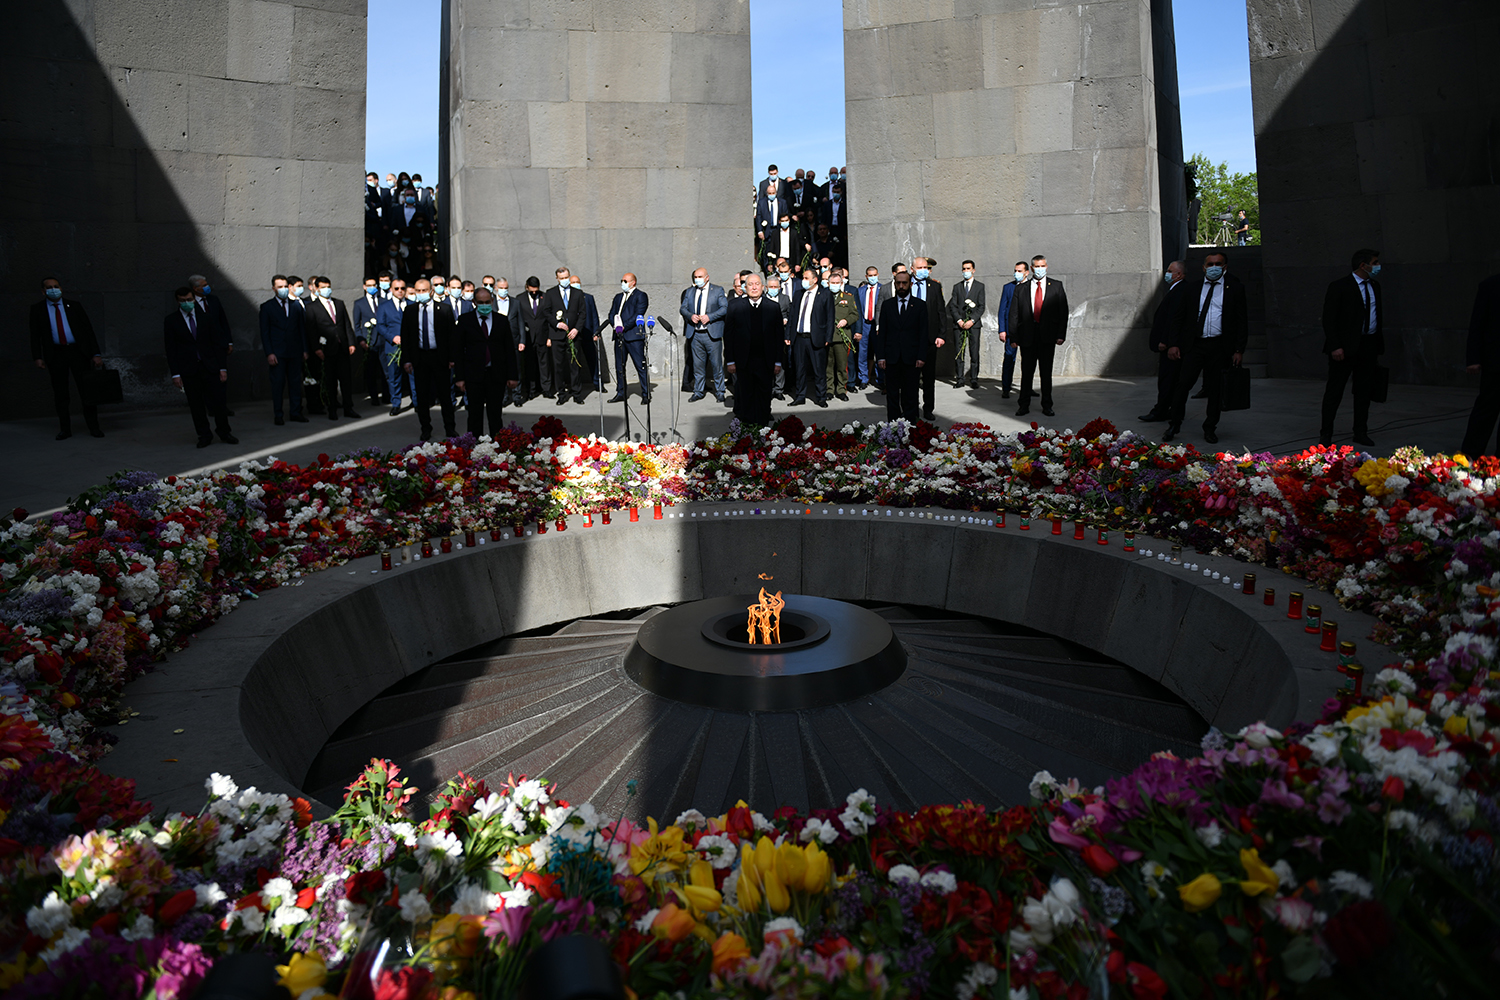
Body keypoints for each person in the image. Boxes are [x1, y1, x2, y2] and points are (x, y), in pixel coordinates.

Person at [1162, 252, 1248, 445]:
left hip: (1220, 346)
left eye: (1218, 264)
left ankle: (1210, 427)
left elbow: (1242, 321)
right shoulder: (1191, 289)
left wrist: (1239, 349)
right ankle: (1174, 424)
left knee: (1216, 390)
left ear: (1225, 267)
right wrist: (1173, 343)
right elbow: (1178, 318)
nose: (1214, 267)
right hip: (1195, 345)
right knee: (1183, 384)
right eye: (1210, 264)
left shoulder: (1234, 289)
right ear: (1203, 267)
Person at [1319, 249, 1384, 447]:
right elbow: (1329, 319)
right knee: (1335, 391)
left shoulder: (1375, 286)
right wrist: (1335, 346)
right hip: (1344, 348)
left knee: (1364, 391)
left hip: (1368, 345)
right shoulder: (1340, 286)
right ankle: (1326, 432)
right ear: (1363, 265)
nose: (1377, 266)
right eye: (1374, 262)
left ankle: (1360, 431)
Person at [30, 277, 105, 440]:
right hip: (56, 354)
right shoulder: (37, 309)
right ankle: (65, 429)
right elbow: (35, 336)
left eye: (56, 286)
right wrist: (38, 357)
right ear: (43, 291)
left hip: (78, 352)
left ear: (61, 289)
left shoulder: (74, 306)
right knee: (61, 393)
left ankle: (94, 427)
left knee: (87, 391)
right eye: (49, 287)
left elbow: (88, 330)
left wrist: (96, 354)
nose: (53, 289)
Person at [164, 286, 236, 447]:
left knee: (218, 402)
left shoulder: (206, 318)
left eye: (189, 300)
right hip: (188, 369)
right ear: (177, 301)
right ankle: (204, 435)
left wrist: (222, 368)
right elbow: (171, 349)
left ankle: (224, 432)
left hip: (210, 366)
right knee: (196, 405)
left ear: (194, 299)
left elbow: (217, 344)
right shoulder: (171, 321)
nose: (187, 303)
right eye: (183, 301)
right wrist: (175, 374)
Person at [1007, 255, 1068, 417]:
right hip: (1027, 337)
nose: (1040, 269)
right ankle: (1023, 405)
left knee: (1046, 373)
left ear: (1047, 266)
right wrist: (1013, 337)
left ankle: (1047, 405)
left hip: (1048, 337)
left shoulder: (1056, 286)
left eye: (1043, 266)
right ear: (1032, 268)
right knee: (1026, 373)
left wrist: (1061, 334)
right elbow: (1014, 314)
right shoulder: (1021, 288)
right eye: (1037, 266)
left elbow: (1063, 312)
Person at [454, 288, 520, 437]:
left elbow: (509, 349)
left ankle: (498, 446)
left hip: (496, 374)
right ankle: (473, 445)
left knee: (495, 413)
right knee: (474, 414)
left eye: (487, 302)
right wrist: (460, 377)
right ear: (474, 302)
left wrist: (513, 375)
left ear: (492, 301)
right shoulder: (465, 320)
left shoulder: (501, 320)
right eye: (480, 302)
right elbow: (458, 351)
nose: (484, 305)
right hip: (473, 375)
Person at [723, 272, 784, 426]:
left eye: (757, 284)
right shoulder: (735, 306)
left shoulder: (773, 307)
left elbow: (778, 337)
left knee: (764, 395)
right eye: (750, 284)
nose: (754, 287)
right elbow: (728, 335)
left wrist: (778, 361)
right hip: (743, 361)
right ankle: (747, 427)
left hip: (766, 360)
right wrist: (730, 360)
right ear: (745, 287)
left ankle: (763, 427)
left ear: (763, 287)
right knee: (745, 395)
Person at [400, 278, 458, 440]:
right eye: (418, 291)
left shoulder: (444, 309)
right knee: (422, 396)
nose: (421, 294)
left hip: (440, 357)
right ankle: (426, 428)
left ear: (431, 291)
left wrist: (452, 358)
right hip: (420, 358)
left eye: (424, 291)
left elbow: (451, 335)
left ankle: (450, 428)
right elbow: (406, 338)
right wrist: (407, 360)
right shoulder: (410, 311)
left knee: (445, 395)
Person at [304, 277, 362, 420]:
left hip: (342, 347)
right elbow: (311, 330)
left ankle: (348, 407)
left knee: (346, 380)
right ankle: (332, 409)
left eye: (328, 286)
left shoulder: (339, 303)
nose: (326, 289)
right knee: (329, 381)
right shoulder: (312, 307)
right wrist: (316, 348)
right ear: (316, 288)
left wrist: (351, 343)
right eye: (323, 287)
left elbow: (346, 324)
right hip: (326, 350)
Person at [875, 270, 928, 422]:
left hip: (911, 358)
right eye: (898, 283)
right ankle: (893, 425)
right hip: (891, 358)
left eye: (904, 283)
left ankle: (911, 425)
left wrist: (921, 356)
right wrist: (881, 356)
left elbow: (923, 333)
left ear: (910, 284)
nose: (901, 286)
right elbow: (882, 333)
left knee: (910, 394)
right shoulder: (887, 305)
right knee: (892, 394)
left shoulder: (919, 306)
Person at [1138, 261, 1187, 422]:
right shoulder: (1175, 290)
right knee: (1168, 380)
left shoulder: (1180, 291)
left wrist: (1166, 341)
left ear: (1178, 274)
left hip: (1170, 346)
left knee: (1168, 380)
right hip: (1169, 344)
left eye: (1170, 271)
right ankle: (1166, 409)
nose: (1167, 273)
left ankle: (1162, 410)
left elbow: (1174, 319)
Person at [258, 274, 308, 425]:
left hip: (294, 351)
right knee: (278, 384)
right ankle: (278, 414)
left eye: (286, 286)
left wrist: (305, 350)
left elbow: (302, 330)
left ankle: (295, 412)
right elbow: (264, 333)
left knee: (295, 383)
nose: (284, 289)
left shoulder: (296, 306)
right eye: (280, 287)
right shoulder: (267, 307)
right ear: (274, 289)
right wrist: (269, 353)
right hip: (277, 353)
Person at [1460, 273, 1500, 456]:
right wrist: (1473, 358)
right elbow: (1478, 323)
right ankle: (1471, 453)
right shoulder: (1490, 285)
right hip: (1496, 359)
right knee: (1487, 407)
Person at [539, 267, 587, 404]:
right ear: (557, 278)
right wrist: (556, 323)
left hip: (573, 335)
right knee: (558, 366)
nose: (565, 280)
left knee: (575, 365)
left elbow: (583, 313)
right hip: (557, 335)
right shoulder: (550, 293)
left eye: (566, 277)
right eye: (562, 278)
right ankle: (561, 393)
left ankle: (577, 393)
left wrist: (577, 329)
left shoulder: (578, 293)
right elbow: (546, 312)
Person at [787, 265, 834, 407]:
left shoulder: (825, 294)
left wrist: (828, 338)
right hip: (799, 338)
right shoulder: (798, 294)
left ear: (815, 280)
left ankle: (821, 397)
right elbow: (793, 316)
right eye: (803, 278)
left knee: (819, 370)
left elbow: (830, 318)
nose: (804, 281)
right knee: (799, 369)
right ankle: (800, 396)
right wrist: (789, 334)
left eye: (807, 278)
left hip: (816, 338)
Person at [681, 267, 729, 404]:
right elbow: (682, 308)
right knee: (698, 366)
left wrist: (710, 317)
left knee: (716, 365)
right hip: (695, 333)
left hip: (712, 334)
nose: (697, 279)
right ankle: (698, 391)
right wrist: (691, 316)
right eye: (695, 277)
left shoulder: (717, 290)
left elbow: (724, 308)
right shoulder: (690, 292)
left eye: (700, 277)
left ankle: (720, 392)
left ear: (707, 277)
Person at [910, 257, 947, 419]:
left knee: (929, 377)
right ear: (912, 269)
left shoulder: (934, 286)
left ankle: (928, 409)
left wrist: (941, 335)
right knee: (910, 378)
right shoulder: (905, 285)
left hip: (930, 339)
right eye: (920, 267)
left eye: (926, 267)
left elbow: (941, 312)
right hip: (910, 340)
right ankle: (911, 408)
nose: (924, 269)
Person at [606, 273, 651, 403]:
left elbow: (638, 314)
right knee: (619, 366)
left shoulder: (640, 296)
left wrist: (623, 326)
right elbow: (612, 313)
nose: (623, 283)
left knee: (640, 365)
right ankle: (621, 392)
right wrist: (615, 325)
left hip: (633, 336)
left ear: (633, 282)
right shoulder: (618, 297)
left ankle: (646, 394)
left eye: (625, 281)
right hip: (619, 336)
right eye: (622, 281)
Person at [948, 260, 986, 389]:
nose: (965, 271)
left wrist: (972, 320)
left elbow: (981, 306)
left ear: (973, 270)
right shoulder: (957, 287)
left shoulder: (980, 286)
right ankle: (960, 379)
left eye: (968, 268)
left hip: (973, 325)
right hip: (959, 325)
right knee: (959, 352)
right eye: (964, 269)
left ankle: (974, 378)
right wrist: (959, 320)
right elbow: (953, 306)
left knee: (974, 351)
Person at [374, 279, 408, 415]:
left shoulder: (411, 304)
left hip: (409, 346)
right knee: (394, 376)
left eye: (402, 288)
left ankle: (416, 402)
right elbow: (380, 326)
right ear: (391, 290)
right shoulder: (384, 306)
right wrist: (392, 337)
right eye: (396, 288)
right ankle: (396, 403)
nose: (400, 291)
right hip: (393, 346)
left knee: (413, 375)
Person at [352, 276, 386, 406]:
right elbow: (356, 324)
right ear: (364, 287)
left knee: (385, 371)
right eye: (369, 285)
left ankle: (386, 395)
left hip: (383, 341)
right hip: (369, 342)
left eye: (374, 285)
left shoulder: (383, 301)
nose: (372, 288)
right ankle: (374, 397)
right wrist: (361, 340)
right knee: (371, 371)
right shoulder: (359, 303)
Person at [995, 262, 1026, 398]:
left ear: (1026, 272)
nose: (1016, 273)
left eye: (1019, 271)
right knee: (1009, 359)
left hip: (1026, 331)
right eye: (1015, 270)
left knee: (1027, 362)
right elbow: (1002, 310)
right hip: (1010, 330)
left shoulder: (1032, 287)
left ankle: (1027, 388)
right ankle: (1006, 388)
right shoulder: (1008, 287)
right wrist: (1002, 329)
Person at [827, 269, 858, 401]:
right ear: (828, 283)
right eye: (832, 282)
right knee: (827, 366)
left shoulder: (848, 297)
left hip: (841, 336)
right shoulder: (823, 295)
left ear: (841, 283)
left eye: (837, 282)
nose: (834, 284)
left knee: (841, 366)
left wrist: (846, 321)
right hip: (827, 337)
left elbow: (855, 314)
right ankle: (828, 390)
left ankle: (841, 390)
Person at [518, 277, 549, 400]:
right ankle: (531, 390)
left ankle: (546, 389)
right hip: (528, 338)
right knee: (529, 365)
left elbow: (548, 318)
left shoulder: (545, 297)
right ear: (527, 287)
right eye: (532, 290)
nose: (534, 292)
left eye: (536, 290)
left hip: (542, 336)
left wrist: (549, 337)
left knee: (544, 364)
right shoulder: (520, 299)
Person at [854, 265, 884, 392]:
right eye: (870, 276)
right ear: (866, 276)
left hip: (877, 324)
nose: (873, 277)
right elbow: (857, 311)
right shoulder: (860, 291)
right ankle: (864, 379)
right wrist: (858, 329)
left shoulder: (883, 289)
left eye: (875, 275)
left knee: (880, 353)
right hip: (864, 324)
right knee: (863, 353)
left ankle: (880, 380)